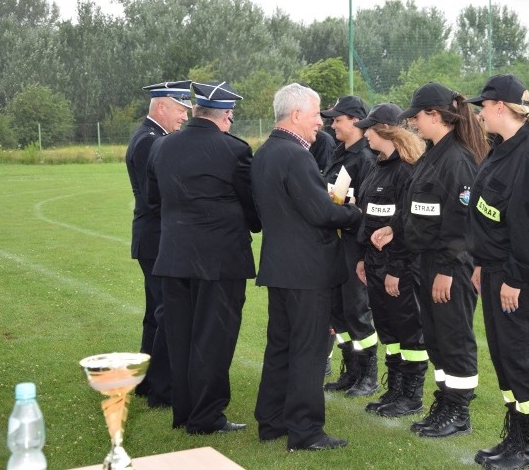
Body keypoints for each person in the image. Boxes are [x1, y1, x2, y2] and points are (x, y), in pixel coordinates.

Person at [371, 82, 489, 438]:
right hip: (426, 261)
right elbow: (416, 209)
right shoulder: (432, 154)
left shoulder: (458, 159)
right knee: (436, 340)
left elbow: (461, 223)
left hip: (448, 266)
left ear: (435, 115)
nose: (413, 125)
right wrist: (394, 228)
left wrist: (447, 270)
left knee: (454, 339)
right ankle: (445, 402)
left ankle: (459, 410)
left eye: (417, 117)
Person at [251, 83, 362, 451]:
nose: (322, 123)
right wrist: (352, 211)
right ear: (296, 115)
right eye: (316, 114)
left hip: (281, 267)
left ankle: (272, 421)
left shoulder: (267, 151)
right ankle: (305, 430)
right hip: (308, 271)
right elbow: (320, 212)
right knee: (309, 351)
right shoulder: (295, 155)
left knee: (280, 347)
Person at [146, 81, 260, 434]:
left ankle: (184, 410)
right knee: (214, 338)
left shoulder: (161, 147)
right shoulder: (234, 150)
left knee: (180, 337)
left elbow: (154, 200)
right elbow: (251, 207)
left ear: (195, 110)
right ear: (226, 115)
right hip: (220, 260)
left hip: (174, 256)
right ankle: (207, 416)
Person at [464, 74, 529, 469]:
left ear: (500, 107)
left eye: (483, 106)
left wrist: (516, 278)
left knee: (524, 357)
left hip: (520, 276)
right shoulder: (503, 149)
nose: (480, 113)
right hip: (498, 269)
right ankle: (516, 436)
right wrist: (484, 264)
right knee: (504, 357)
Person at [352, 103, 428, 417]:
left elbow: (409, 226)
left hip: (398, 267)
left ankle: (411, 396)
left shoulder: (408, 169)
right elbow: (369, 219)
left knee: (408, 330)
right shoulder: (378, 166)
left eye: (369, 127)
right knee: (389, 331)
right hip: (374, 263)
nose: (365, 133)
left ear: (386, 129)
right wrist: (362, 259)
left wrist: (396, 269)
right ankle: (395, 389)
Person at [125, 80, 191, 408]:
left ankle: (148, 381)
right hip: (157, 239)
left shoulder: (154, 137)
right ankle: (163, 390)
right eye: (179, 110)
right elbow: (156, 198)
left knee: (156, 313)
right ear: (161, 107)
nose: (183, 117)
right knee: (167, 313)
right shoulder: (150, 141)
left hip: (153, 238)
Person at [320, 96, 380, 397]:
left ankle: (368, 374)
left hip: (354, 246)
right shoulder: (339, 152)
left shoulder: (366, 158)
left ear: (355, 120)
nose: (332, 124)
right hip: (335, 243)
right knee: (338, 310)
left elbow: (368, 208)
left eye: (337, 119)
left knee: (357, 309)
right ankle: (351, 370)